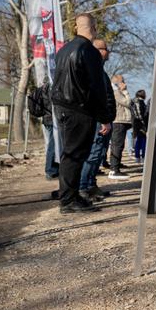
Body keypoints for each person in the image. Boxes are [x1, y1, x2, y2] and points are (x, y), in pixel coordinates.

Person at [51, 13, 114, 213]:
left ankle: (71, 196)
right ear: (93, 28)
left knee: (70, 154)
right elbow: (96, 88)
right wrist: (104, 118)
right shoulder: (89, 51)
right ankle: (69, 200)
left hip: (63, 107)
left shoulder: (63, 50)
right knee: (76, 154)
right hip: (79, 108)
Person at [78, 39, 116, 201]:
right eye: (105, 49)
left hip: (105, 118)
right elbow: (96, 97)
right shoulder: (93, 69)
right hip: (98, 120)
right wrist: (102, 119)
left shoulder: (100, 70)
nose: (108, 52)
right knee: (93, 154)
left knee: (99, 153)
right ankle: (83, 187)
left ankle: (91, 184)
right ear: (98, 51)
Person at [28, 80, 59, 181]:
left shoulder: (44, 88)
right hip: (52, 120)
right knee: (53, 145)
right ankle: (50, 171)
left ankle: (53, 169)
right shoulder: (52, 88)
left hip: (47, 119)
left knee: (53, 145)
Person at [108, 74, 132, 180]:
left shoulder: (117, 91)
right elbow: (127, 102)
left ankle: (115, 167)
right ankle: (114, 170)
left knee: (118, 145)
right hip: (118, 122)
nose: (124, 83)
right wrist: (125, 91)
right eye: (122, 81)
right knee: (117, 146)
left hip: (119, 122)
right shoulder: (116, 92)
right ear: (117, 82)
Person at [131, 90, 148, 163]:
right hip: (141, 124)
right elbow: (140, 114)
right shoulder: (140, 102)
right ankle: (143, 157)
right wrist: (144, 124)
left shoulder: (133, 102)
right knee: (144, 141)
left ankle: (137, 157)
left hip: (136, 124)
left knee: (138, 140)